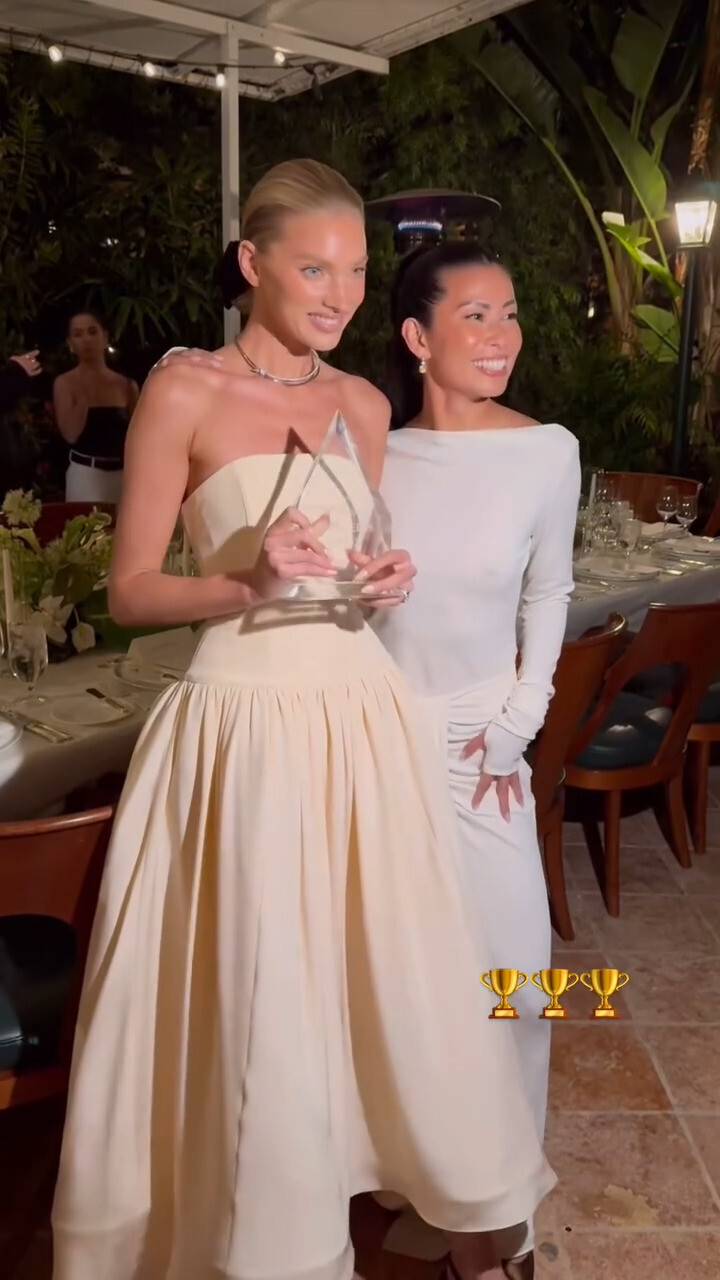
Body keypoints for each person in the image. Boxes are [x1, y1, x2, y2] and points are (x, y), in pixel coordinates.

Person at [52, 162, 554, 1280]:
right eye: (315, 269)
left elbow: (354, 572)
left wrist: (384, 580)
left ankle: (464, 1216)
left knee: (390, 976)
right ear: (253, 263)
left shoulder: (364, 405)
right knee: (265, 991)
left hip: (362, 718)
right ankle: (271, 1234)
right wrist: (245, 581)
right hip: (242, 730)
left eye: (357, 272)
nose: (340, 294)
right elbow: (128, 592)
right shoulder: (181, 390)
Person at [372, 240, 580, 1277]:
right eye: (476, 316)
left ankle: (504, 1213)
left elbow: (550, 590)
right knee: (404, 987)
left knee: (517, 986)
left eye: (510, 314)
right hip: (377, 747)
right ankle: (432, 1184)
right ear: (418, 337)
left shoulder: (546, 450)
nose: (503, 337)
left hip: (482, 748)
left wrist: (521, 716)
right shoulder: (372, 450)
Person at [53, 310, 139, 502]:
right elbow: (70, 434)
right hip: (86, 473)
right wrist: (85, 395)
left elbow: (138, 437)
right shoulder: (65, 383)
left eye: (92, 332)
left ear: (105, 337)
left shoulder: (126, 385)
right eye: (78, 334)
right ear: (70, 344)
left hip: (123, 474)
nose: (86, 340)